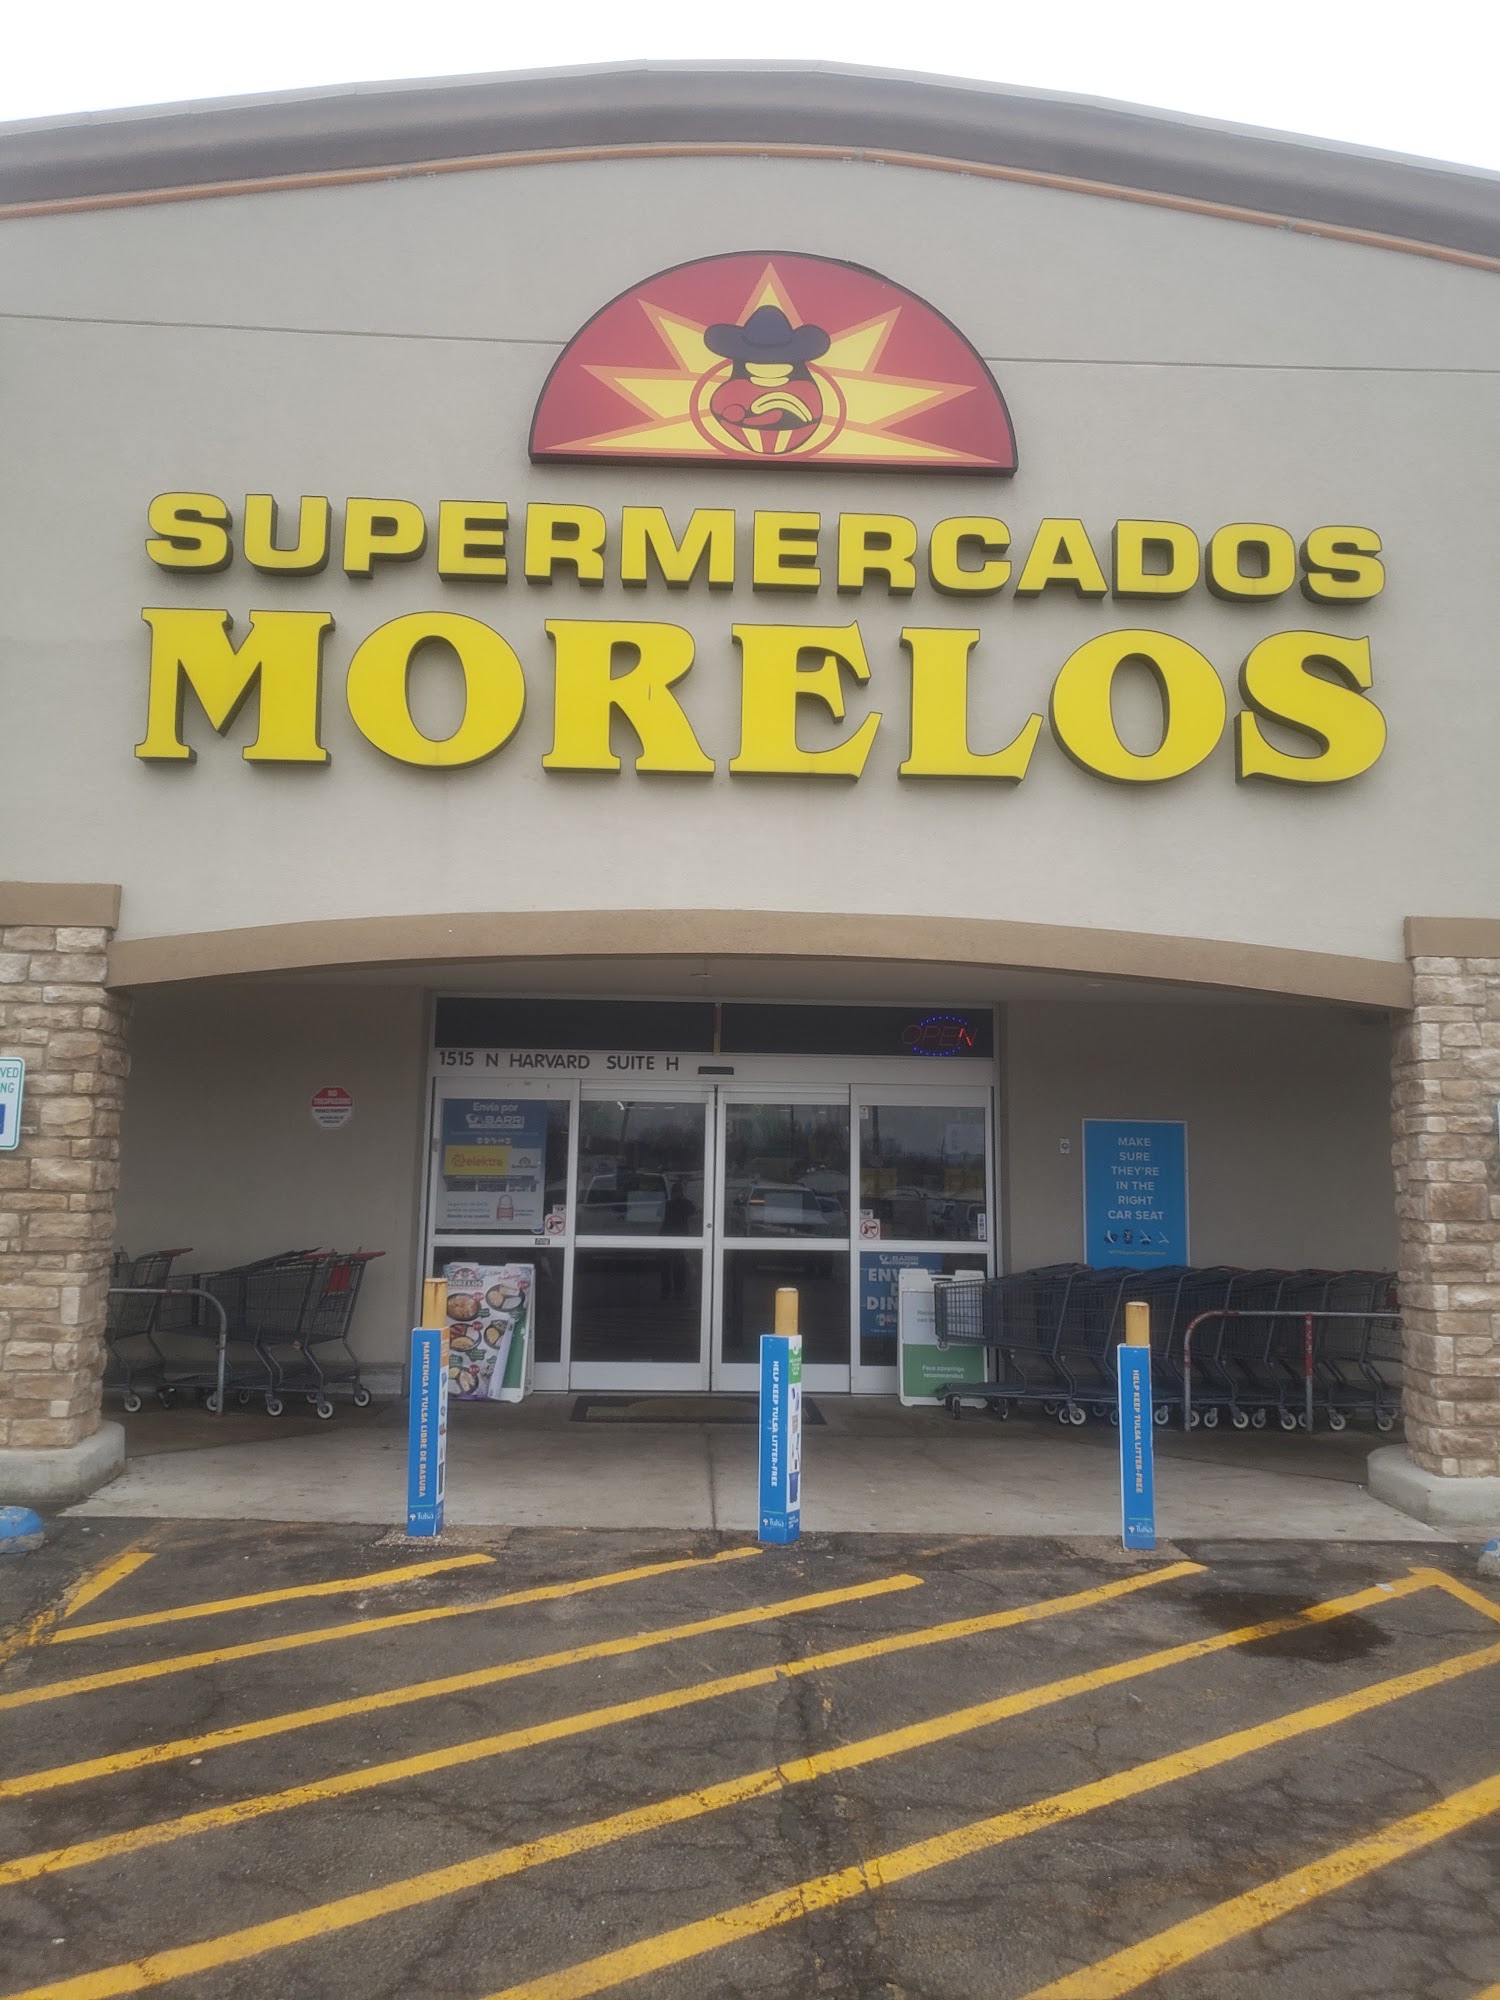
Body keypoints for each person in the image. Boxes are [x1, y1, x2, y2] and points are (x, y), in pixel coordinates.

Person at [704, 304, 830, 455]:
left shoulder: (804, 388)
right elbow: (722, 407)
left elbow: (811, 414)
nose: (768, 367)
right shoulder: (734, 388)